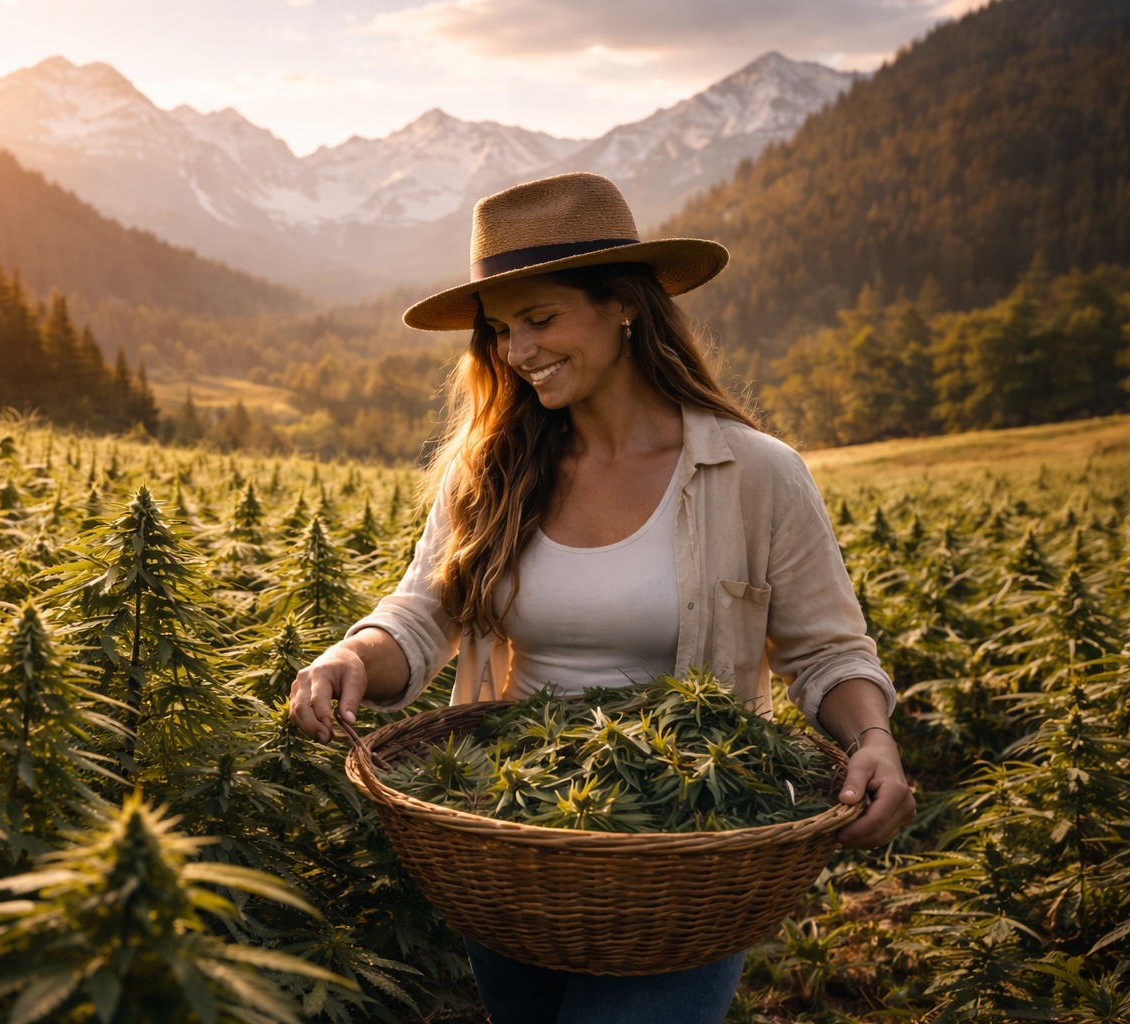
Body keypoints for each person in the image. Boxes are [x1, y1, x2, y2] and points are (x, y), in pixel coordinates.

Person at [287, 171, 915, 1024]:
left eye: (540, 319)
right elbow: (422, 617)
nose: (517, 351)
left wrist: (873, 738)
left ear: (623, 303)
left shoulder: (755, 474)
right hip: (518, 833)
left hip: (684, 850)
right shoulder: (491, 470)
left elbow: (827, 653)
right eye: (500, 329)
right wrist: (351, 656)